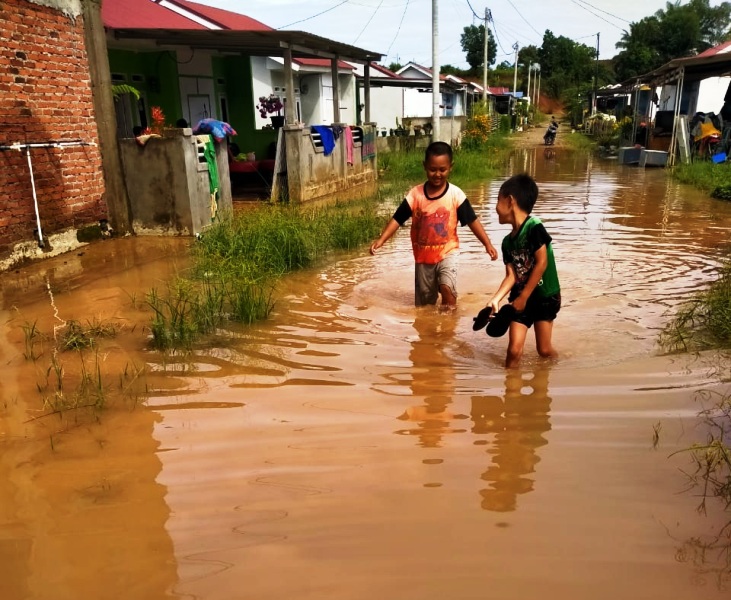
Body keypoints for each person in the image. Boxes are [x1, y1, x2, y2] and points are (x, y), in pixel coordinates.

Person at [370, 141, 498, 308]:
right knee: (425, 306)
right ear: (425, 166)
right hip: (423, 256)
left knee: (447, 289)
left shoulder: (456, 195)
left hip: (448, 252)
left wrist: (487, 244)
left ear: (450, 167)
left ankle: (448, 326)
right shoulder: (415, 195)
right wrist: (381, 240)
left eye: (442, 170)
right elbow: (397, 218)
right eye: (433, 169)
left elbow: (473, 221)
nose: (437, 174)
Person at [486, 173, 560, 368]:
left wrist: (524, 297)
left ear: (510, 201)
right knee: (513, 351)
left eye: (497, 200)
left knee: (543, 351)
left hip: (545, 296)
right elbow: (511, 276)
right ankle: (511, 391)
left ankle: (558, 368)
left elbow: (541, 263)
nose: (495, 207)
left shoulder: (535, 227)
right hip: (521, 298)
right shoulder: (507, 243)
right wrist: (496, 299)